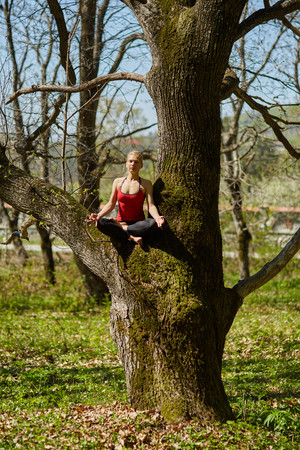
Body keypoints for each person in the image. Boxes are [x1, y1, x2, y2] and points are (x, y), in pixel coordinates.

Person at [88, 151, 164, 247]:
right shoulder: (117, 182)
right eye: (130, 161)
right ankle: (131, 237)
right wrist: (98, 216)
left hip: (138, 225)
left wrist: (157, 218)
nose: (133, 164)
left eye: (136, 162)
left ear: (141, 165)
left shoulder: (146, 183)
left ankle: (123, 229)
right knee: (100, 222)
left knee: (152, 223)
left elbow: (151, 205)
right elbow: (111, 204)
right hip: (120, 221)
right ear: (126, 163)